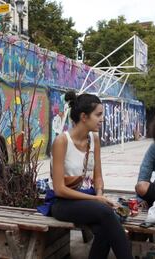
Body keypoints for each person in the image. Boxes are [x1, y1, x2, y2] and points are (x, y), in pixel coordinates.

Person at [40, 91, 133, 259]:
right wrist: (98, 200)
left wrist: (99, 194)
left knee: (106, 228)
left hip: (88, 200)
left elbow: (98, 176)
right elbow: (59, 189)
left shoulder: (94, 138)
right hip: (62, 203)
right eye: (98, 114)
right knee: (106, 215)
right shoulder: (62, 141)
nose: (102, 118)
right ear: (84, 116)